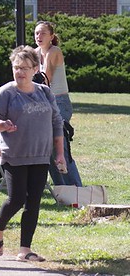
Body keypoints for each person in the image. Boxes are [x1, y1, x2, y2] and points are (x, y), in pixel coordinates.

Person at [0, 46, 64, 263]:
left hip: (41, 156)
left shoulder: (44, 92)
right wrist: (1, 125)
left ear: (35, 69)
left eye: (24, 67)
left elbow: (56, 121)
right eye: (16, 67)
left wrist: (59, 154)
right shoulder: (6, 92)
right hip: (15, 155)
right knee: (16, 199)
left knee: (34, 202)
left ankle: (25, 249)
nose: (19, 72)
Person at [34, 20, 82, 186]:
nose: (38, 36)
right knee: (47, 149)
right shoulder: (34, 53)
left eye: (43, 33)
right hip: (42, 102)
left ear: (51, 36)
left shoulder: (54, 51)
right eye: (36, 33)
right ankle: (62, 190)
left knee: (59, 146)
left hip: (59, 102)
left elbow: (44, 79)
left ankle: (76, 189)